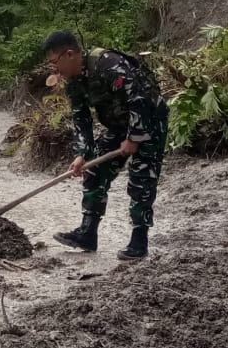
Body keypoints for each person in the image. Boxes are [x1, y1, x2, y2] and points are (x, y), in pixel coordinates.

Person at [42, 30, 169, 261]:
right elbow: (81, 118)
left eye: (54, 62)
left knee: (142, 179)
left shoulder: (108, 64)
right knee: (93, 169)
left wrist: (134, 137)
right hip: (119, 126)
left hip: (149, 122)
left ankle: (139, 241)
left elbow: (138, 98)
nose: (54, 70)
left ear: (69, 54)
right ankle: (87, 233)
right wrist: (82, 153)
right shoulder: (74, 82)